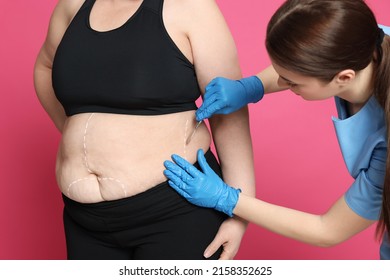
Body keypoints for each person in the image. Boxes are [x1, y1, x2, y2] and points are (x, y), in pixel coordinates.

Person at [163, 0, 390, 259]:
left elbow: (327, 230)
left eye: (292, 83)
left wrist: (227, 198)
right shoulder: (364, 41)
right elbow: (301, 64)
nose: (281, 82)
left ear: (344, 78)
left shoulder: (385, 148)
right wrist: (252, 86)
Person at [33, 0, 256, 260]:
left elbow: (228, 110)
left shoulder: (192, 7)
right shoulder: (71, 6)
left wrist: (241, 211)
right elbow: (45, 66)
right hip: (84, 221)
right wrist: (81, 139)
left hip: (177, 209)